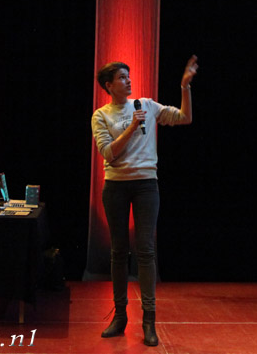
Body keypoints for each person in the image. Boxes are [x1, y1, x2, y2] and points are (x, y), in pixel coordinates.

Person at [91, 55, 198, 346]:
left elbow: (184, 117)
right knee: (118, 251)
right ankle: (120, 316)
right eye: (121, 78)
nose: (128, 81)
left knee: (146, 251)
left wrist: (185, 86)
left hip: (146, 186)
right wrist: (130, 127)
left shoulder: (147, 106)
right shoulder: (101, 115)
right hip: (115, 187)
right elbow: (108, 153)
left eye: (128, 76)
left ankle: (149, 320)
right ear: (108, 85)